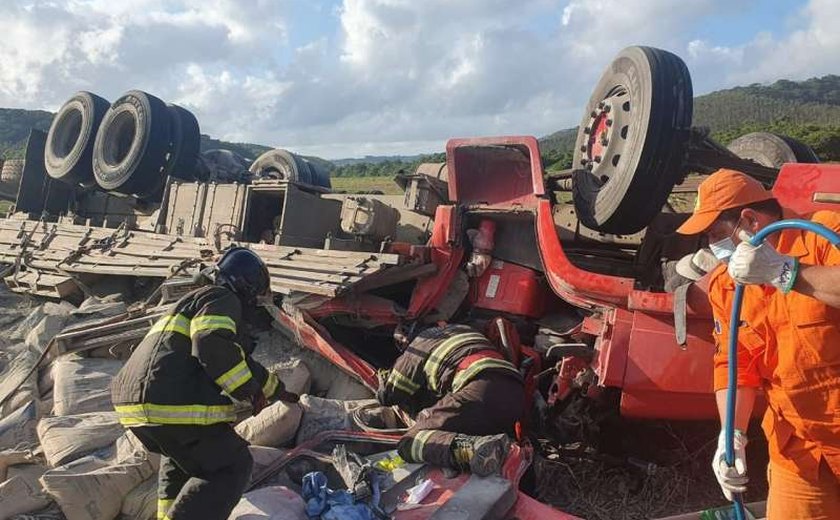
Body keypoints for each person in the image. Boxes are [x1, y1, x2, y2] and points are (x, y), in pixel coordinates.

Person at [675, 168, 840, 519]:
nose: (711, 247)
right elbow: (735, 365)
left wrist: (786, 272)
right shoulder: (726, 285)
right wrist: (730, 433)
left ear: (748, 220)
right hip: (799, 450)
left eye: (715, 235)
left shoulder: (825, 233)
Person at [111, 247, 299, 520]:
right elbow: (210, 343)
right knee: (232, 465)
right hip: (171, 399)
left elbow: (238, 359)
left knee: (182, 461)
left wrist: (276, 389)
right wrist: (247, 389)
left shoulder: (190, 303)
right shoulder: (222, 298)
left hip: (134, 404)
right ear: (247, 286)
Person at [377, 323, 524, 476]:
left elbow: (389, 395)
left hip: (477, 391)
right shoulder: (465, 329)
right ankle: (499, 448)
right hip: (516, 393)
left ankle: (473, 451)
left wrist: (383, 378)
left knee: (409, 443)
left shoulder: (419, 345)